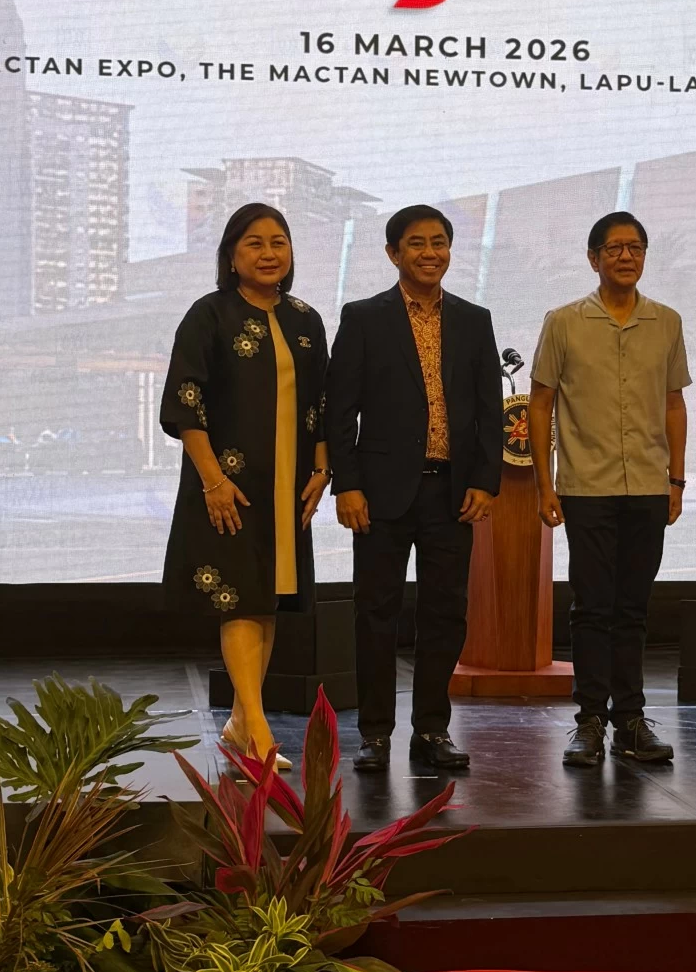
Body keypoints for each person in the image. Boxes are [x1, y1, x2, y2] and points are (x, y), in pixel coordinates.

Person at [326, 204, 503, 772]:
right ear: (393, 253)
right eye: (417, 243)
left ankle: (431, 729)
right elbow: (339, 412)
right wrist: (346, 486)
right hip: (379, 494)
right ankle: (375, 733)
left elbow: (489, 411)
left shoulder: (475, 320)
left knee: (446, 614)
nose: (431, 253)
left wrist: (484, 479)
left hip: (451, 492)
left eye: (440, 242)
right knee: (375, 613)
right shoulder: (363, 317)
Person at [161, 204, 330, 769]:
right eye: (254, 243)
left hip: (289, 483)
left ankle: (239, 720)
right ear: (231, 256)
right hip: (228, 483)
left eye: (278, 242)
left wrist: (322, 468)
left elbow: (323, 405)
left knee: (267, 599)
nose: (268, 253)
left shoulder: (307, 319)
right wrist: (212, 480)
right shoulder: (209, 314)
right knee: (236, 594)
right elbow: (185, 402)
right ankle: (255, 728)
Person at [528, 212, 691, 768]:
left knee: (634, 608)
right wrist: (544, 484)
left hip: (647, 483)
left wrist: (677, 478)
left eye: (636, 247)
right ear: (594, 258)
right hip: (586, 486)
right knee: (592, 606)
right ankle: (590, 720)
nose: (626, 256)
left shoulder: (666, 322)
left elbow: (674, 403)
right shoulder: (563, 321)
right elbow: (541, 403)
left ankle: (631, 720)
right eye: (615, 248)